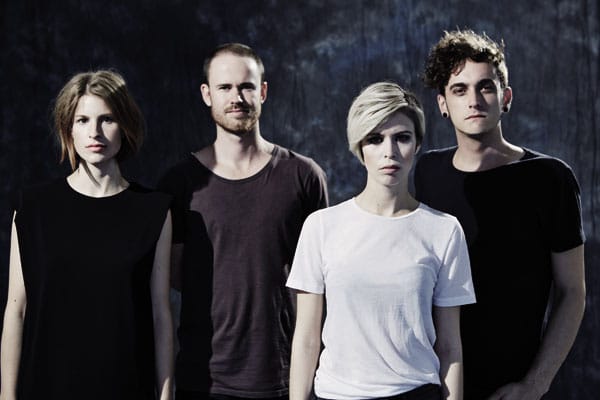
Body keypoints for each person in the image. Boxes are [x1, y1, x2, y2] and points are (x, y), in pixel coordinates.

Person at [415, 29, 586, 400]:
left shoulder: (550, 178)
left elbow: (573, 292)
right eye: (459, 90)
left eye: (485, 87)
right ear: (443, 104)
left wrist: (535, 384)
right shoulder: (426, 172)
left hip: (512, 387)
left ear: (505, 97)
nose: (474, 100)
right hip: (433, 380)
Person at [157, 43, 328, 400]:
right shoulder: (179, 184)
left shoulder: (303, 177)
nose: (237, 97)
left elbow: (318, 281)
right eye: (225, 87)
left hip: (283, 379)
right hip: (202, 381)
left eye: (246, 86)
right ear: (207, 94)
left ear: (262, 91)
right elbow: (175, 274)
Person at [287, 81, 476, 400]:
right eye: (375, 139)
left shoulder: (444, 230)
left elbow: (449, 346)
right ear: (359, 147)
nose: (390, 152)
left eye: (402, 137)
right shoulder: (321, 227)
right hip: (337, 394)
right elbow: (306, 340)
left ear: (417, 144)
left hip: (415, 392)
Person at [0, 70, 174, 399]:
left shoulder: (153, 211)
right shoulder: (33, 209)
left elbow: (160, 314)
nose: (95, 132)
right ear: (69, 128)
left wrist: (167, 394)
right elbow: (16, 309)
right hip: (46, 386)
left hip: (125, 387)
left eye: (107, 119)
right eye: (82, 120)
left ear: (125, 125)